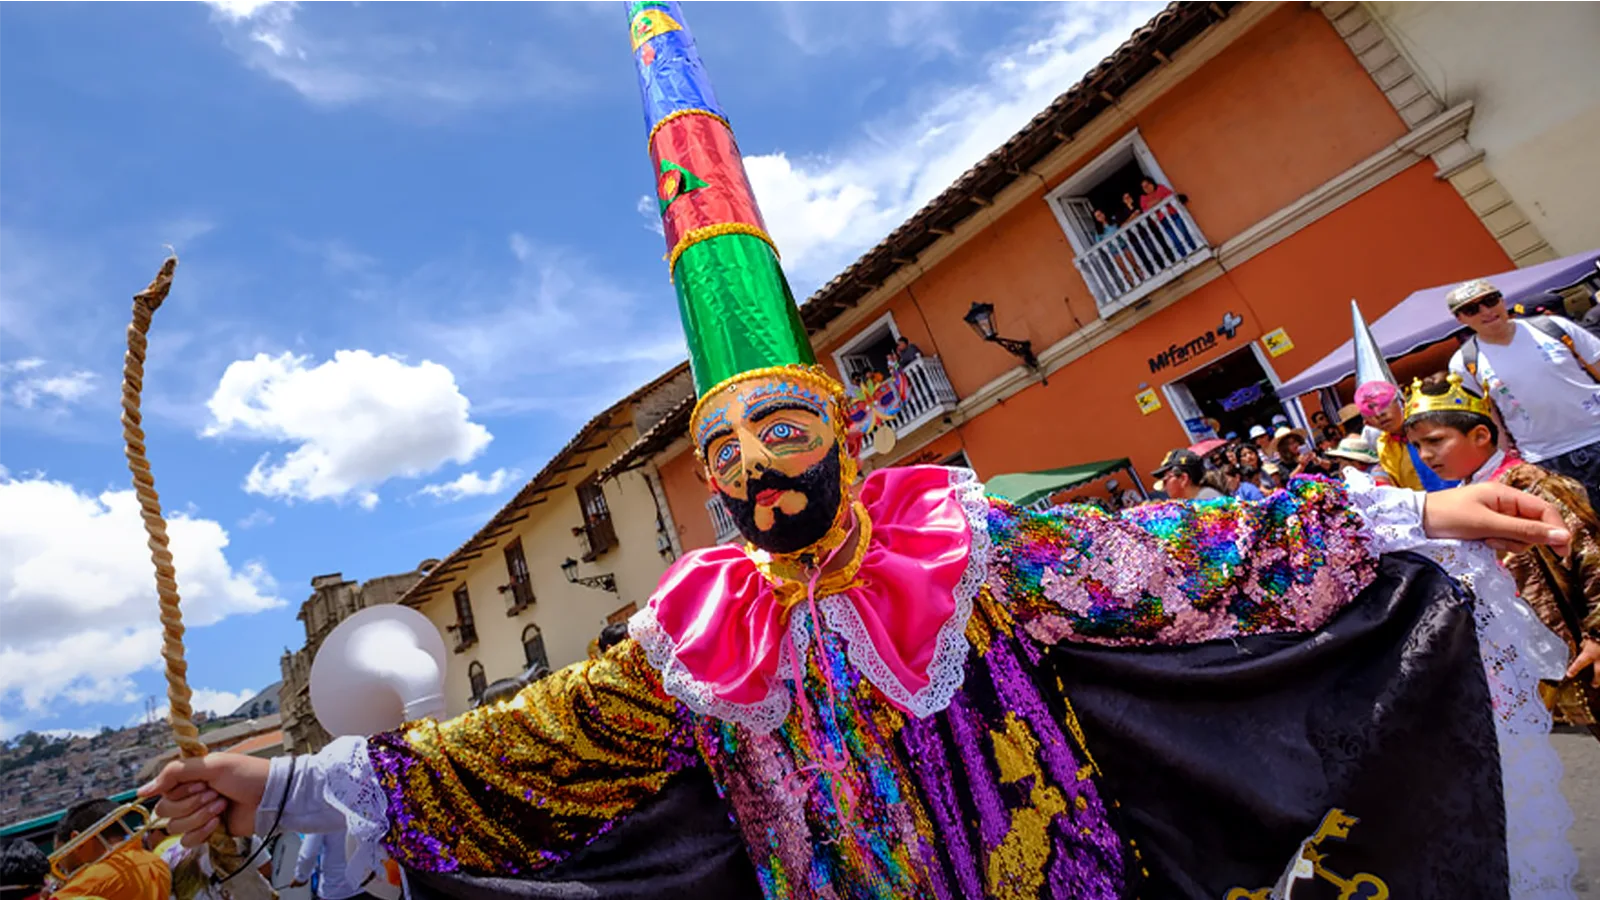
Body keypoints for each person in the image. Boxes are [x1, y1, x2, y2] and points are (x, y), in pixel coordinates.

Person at [139, 4, 1581, 897]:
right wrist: (280, 786)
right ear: (711, 483)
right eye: (728, 450)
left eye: (785, 425)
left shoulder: (970, 551)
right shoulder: (686, 642)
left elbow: (1197, 555)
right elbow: (513, 751)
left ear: (841, 426)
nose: (760, 465)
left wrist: (1428, 509)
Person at [1403, 372, 1600, 739]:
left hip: (1586, 642)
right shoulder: (1464, 496)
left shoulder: (1527, 483)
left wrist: (1598, 635)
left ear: (1480, 435)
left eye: (1435, 440)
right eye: (1417, 445)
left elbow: (1591, 555)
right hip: (1554, 657)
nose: (1426, 455)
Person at [1447, 278, 1600, 504]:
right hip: (1547, 457)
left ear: (1501, 300)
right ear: (1461, 319)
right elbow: (1491, 420)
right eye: (1472, 309)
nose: (1486, 311)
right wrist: (1505, 467)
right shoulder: (1464, 363)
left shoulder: (1553, 327)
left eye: (1490, 301)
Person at [1349, 301, 1456, 492]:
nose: (1380, 414)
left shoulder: (1434, 420)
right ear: (1367, 423)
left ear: (1400, 399)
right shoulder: (1384, 447)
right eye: (1370, 410)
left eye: (1384, 403)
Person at [51, 799, 170, 900]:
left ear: (78, 841)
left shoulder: (92, 882)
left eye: (62, 853)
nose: (61, 869)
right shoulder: (155, 861)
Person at [1137, 177, 1194, 256]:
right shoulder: (1143, 198)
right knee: (1175, 240)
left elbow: (1170, 196)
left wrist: (1154, 203)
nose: (1147, 188)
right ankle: (1184, 255)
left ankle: (1193, 249)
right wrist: (1159, 199)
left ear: (1152, 183)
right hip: (1162, 222)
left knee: (1184, 233)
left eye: (1148, 185)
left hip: (1173, 215)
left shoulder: (1161, 188)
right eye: (1144, 187)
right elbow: (1145, 209)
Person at [1151, 449, 1224, 500]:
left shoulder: (1208, 501)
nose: (1164, 487)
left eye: (1165, 480)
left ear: (1183, 479)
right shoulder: (1198, 501)